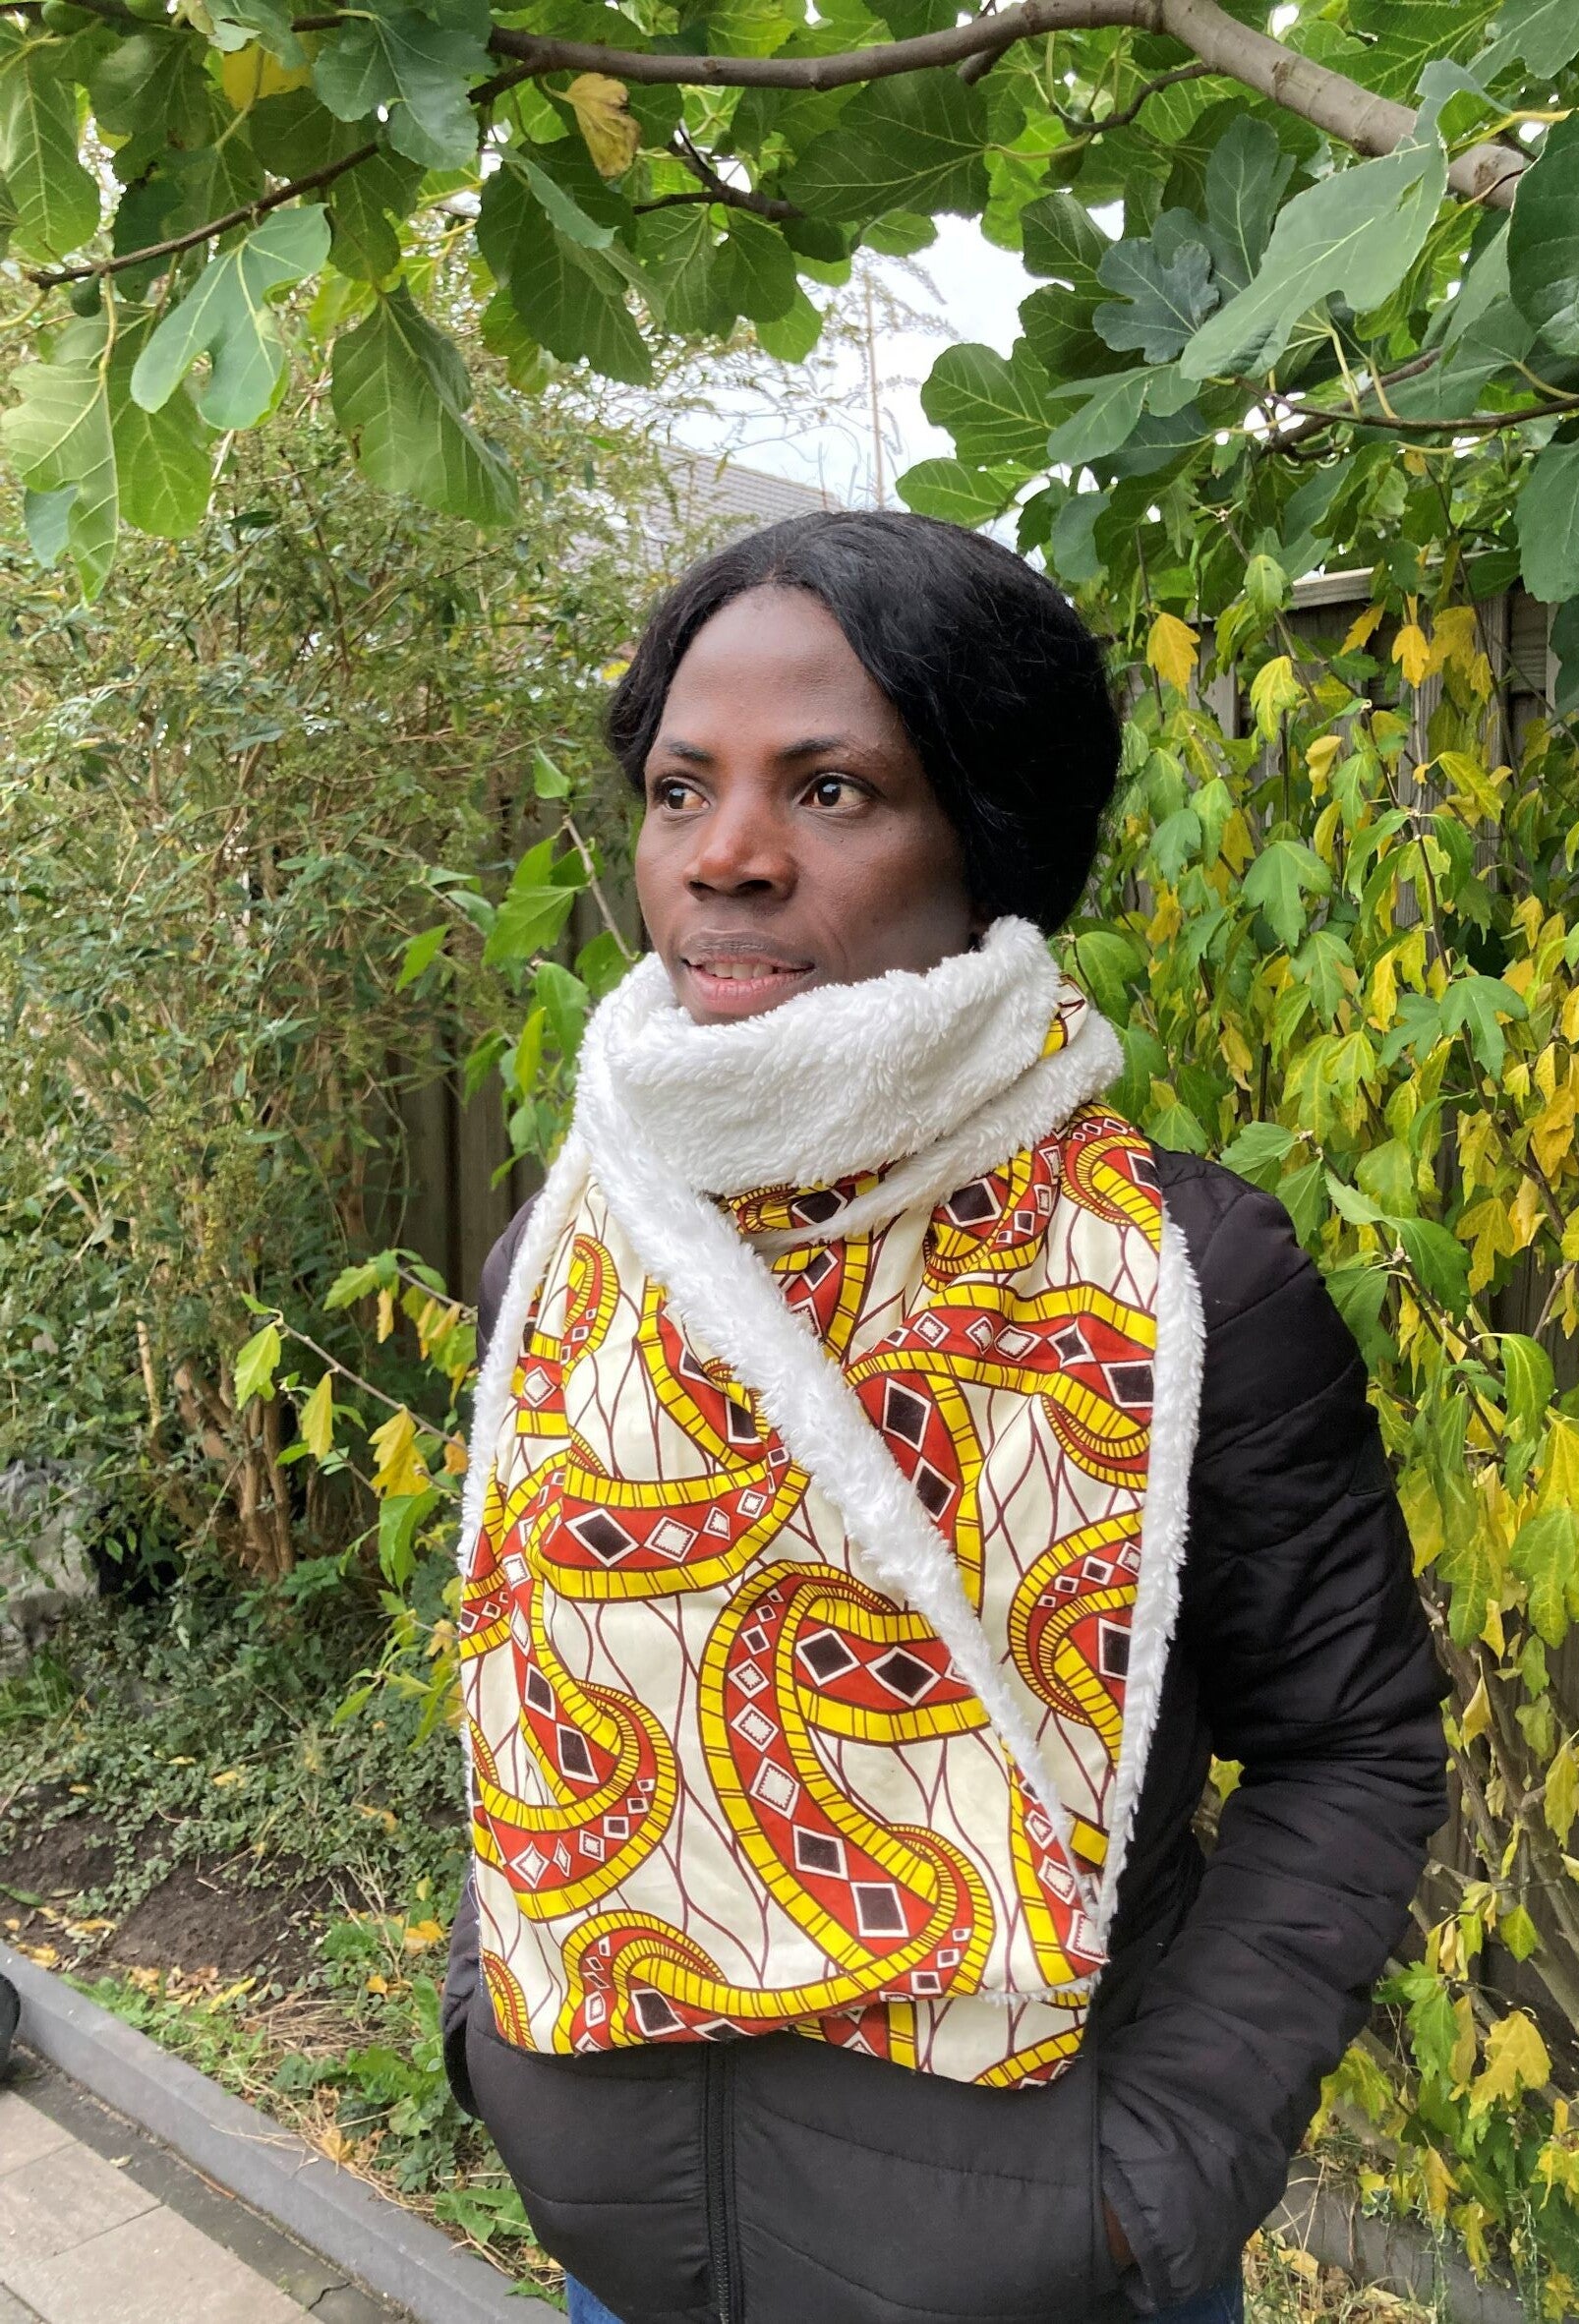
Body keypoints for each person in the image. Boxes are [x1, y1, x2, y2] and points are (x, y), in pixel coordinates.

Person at [440, 510, 1446, 2324]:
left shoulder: (1179, 1280)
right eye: (680, 789)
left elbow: (1348, 1747)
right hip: (626, 2260)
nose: (724, 857)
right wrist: (489, 2027)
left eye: (830, 791)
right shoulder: (572, 1252)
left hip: (1038, 2270)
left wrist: (1148, 2178)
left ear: (987, 837)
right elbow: (521, 1663)